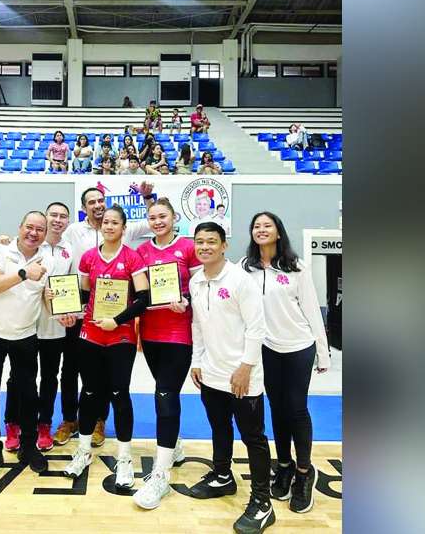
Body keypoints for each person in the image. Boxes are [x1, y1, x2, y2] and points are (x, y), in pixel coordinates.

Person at [186, 222, 275, 534]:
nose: (205, 247)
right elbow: (197, 325)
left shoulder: (240, 280)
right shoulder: (196, 281)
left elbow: (257, 327)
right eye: (200, 242)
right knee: (219, 427)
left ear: (224, 245)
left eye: (212, 241)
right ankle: (222, 476)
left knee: (253, 437)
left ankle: (263, 503)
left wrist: (246, 366)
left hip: (243, 375)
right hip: (211, 372)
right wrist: (197, 362)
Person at [242, 212, 330, 514]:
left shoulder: (296, 268)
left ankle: (305, 473)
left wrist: (323, 351)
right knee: (276, 409)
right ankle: (284, 466)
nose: (261, 230)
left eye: (267, 225)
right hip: (266, 348)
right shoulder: (246, 268)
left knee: (296, 408)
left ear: (279, 232)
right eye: (256, 226)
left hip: (298, 346)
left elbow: (312, 310)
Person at [60, 205, 151, 490]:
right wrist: (64, 303)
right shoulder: (88, 257)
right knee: (88, 392)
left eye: (115, 223)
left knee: (119, 394)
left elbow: (144, 298)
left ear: (124, 228)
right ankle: (83, 450)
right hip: (90, 334)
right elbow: (85, 294)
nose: (109, 226)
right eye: (106, 222)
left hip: (120, 335)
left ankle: (124, 458)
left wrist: (117, 320)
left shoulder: (132, 258)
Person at [131, 199, 201, 509]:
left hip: (178, 334)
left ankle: (160, 476)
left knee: (165, 394)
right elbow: (138, 292)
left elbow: (200, 287)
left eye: (163, 216)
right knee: (164, 391)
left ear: (174, 218)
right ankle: (175, 445)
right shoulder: (142, 252)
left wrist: (186, 300)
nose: (158, 221)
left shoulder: (187, 247)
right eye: (152, 217)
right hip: (150, 333)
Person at [0, 211, 51, 481]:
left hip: (26, 335)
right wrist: (23, 273)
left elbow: (45, 300)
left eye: (39, 229)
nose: (34, 232)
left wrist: (58, 305)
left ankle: (29, 446)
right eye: (29, 227)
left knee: (29, 394)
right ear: (19, 227)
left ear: (45, 234)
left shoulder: (49, 260)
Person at [0, 202, 75, 454]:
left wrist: (67, 311)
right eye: (53, 215)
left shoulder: (69, 250)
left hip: (54, 327)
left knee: (50, 378)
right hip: (26, 324)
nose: (57, 220)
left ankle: (44, 425)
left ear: (68, 221)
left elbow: (71, 288)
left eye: (63, 216)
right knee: (19, 378)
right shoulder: (27, 244)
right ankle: (14, 424)